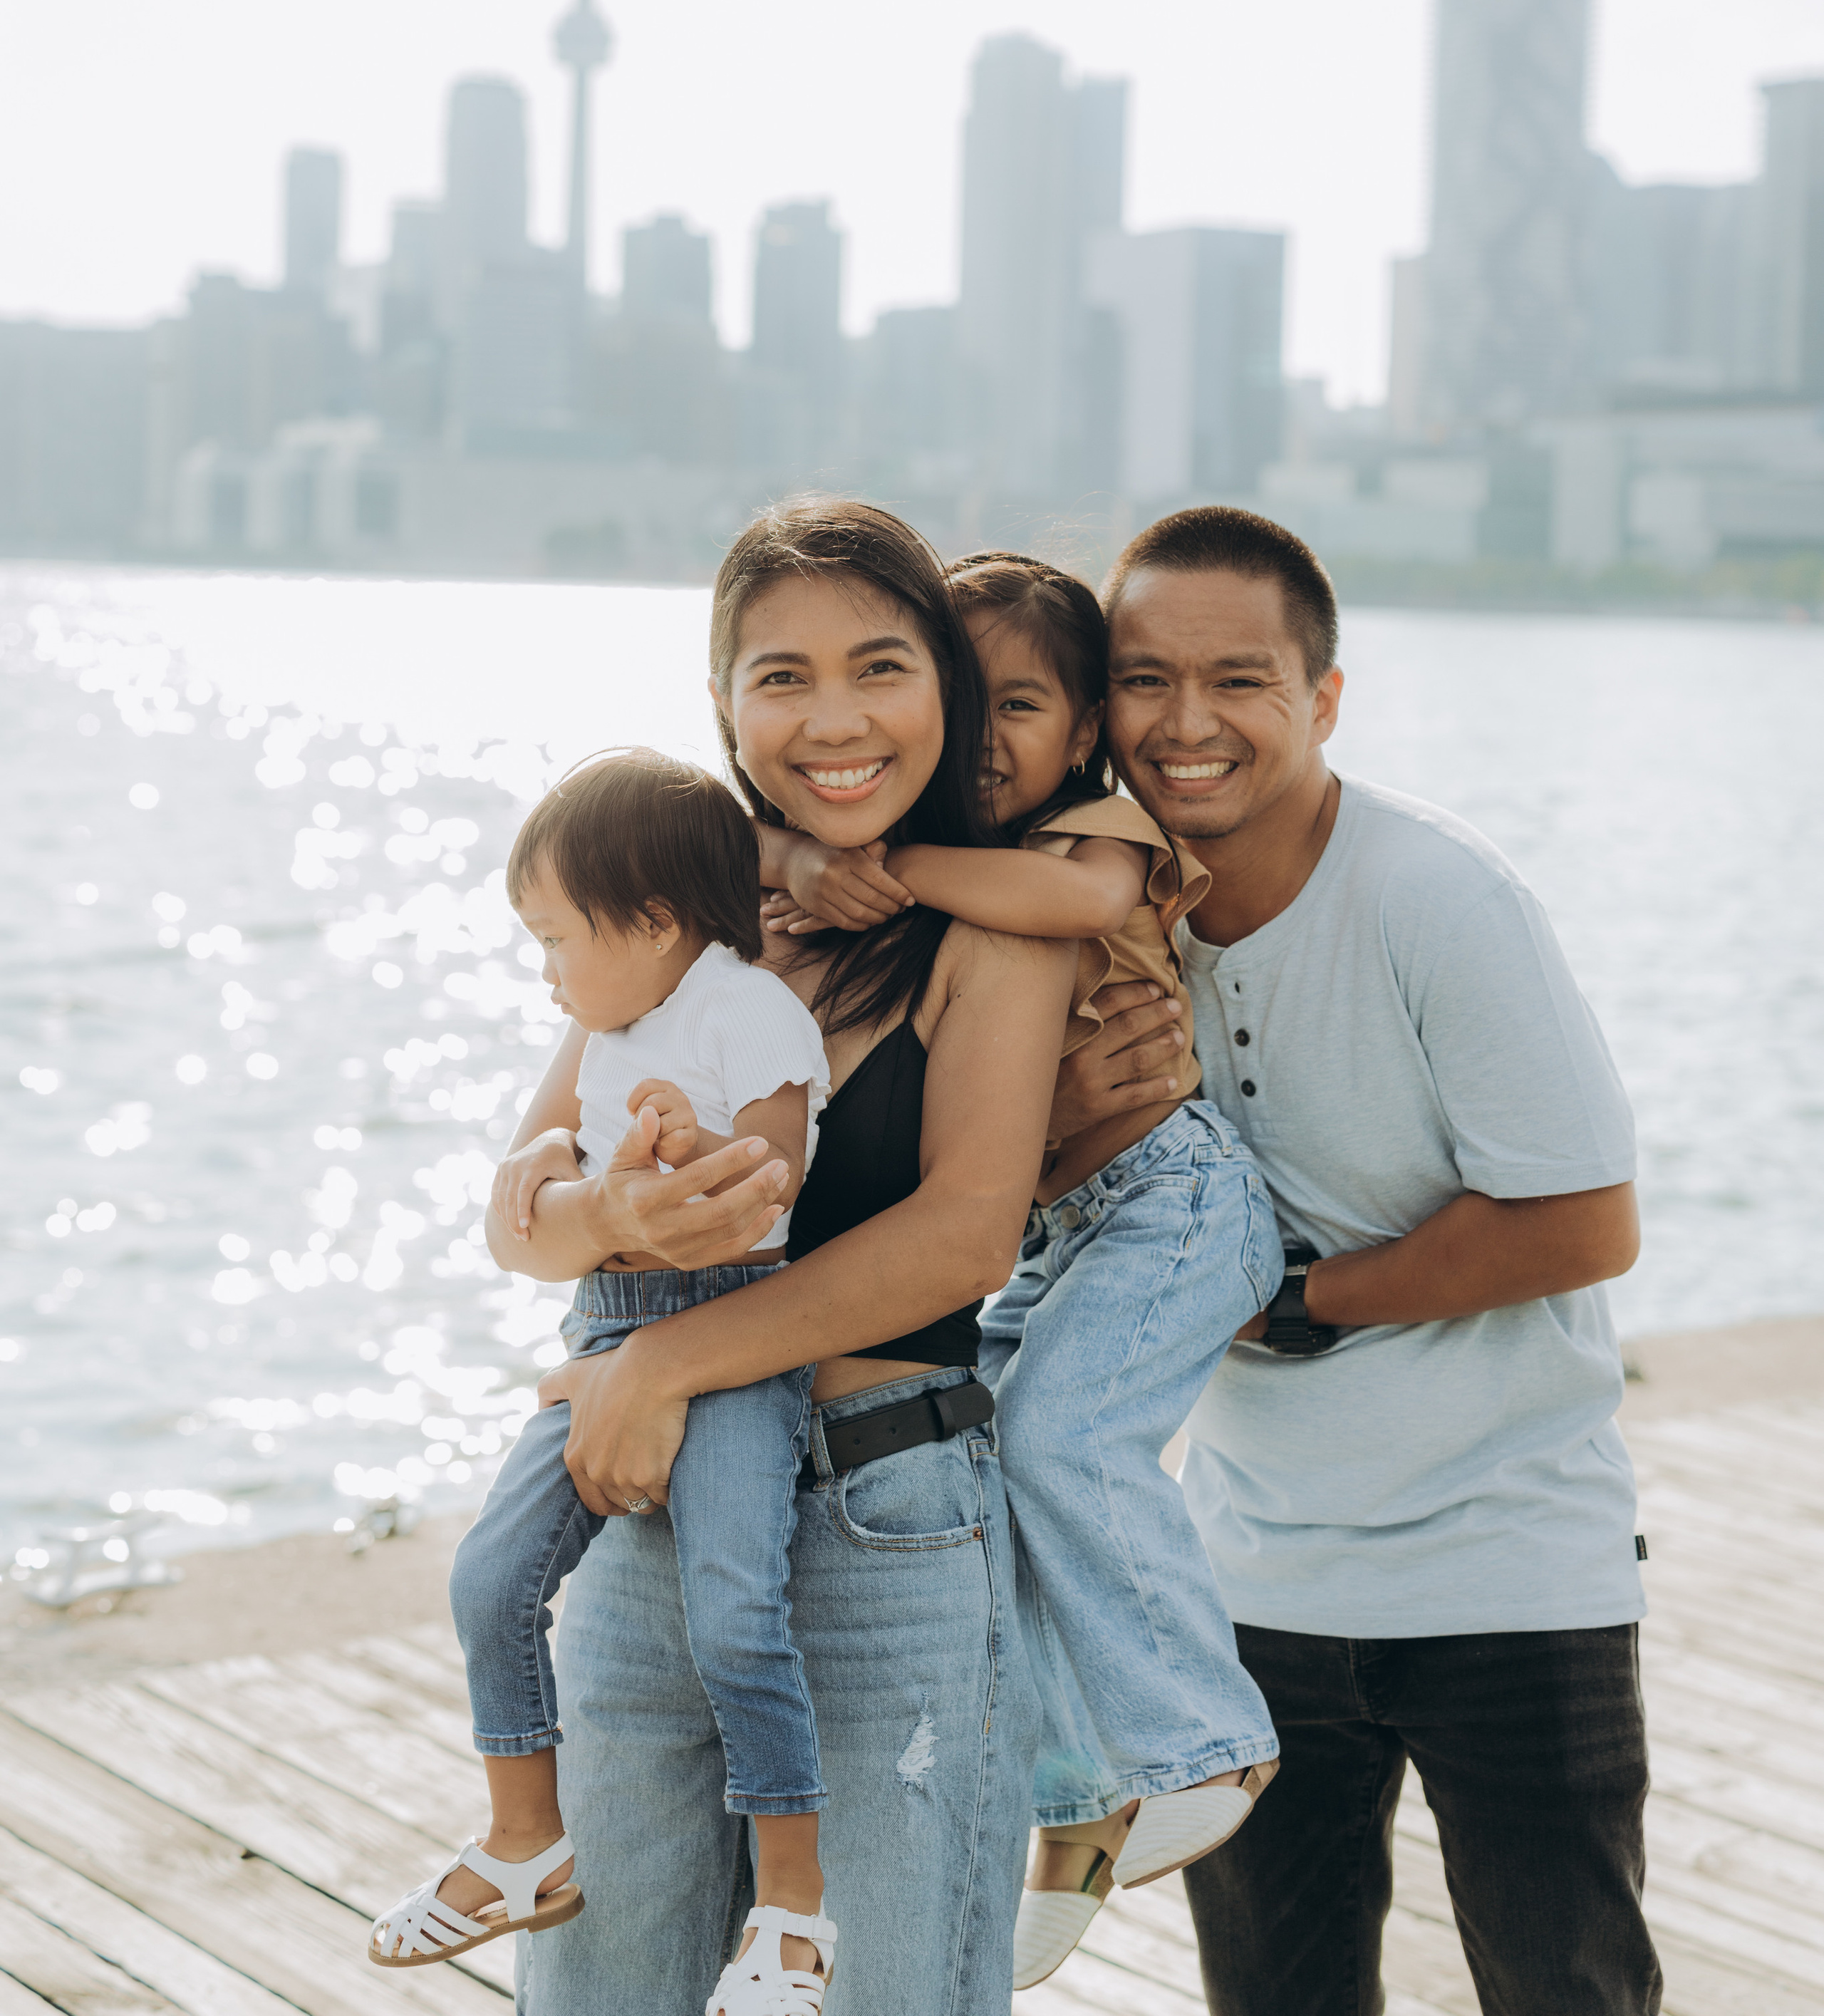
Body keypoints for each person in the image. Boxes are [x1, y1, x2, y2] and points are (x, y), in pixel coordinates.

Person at [1049, 503, 1659, 2016]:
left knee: (1566, 1992)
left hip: (1509, 1563)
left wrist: (1297, 1302)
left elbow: (1584, 1219)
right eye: (1142, 679)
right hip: (1247, 1577)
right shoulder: (1098, 919)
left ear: (1319, 699)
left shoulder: (1436, 896)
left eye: (1238, 680)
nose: (1186, 724)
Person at [494, 498, 1077, 2016]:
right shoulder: (675, 922)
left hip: (884, 1525)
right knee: (598, 1990)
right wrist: (611, 1223)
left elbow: (963, 1233)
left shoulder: (993, 929)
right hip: (650, 1521)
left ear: (941, 691)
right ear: (720, 704)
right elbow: (519, 1207)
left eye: (879, 667)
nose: (834, 719)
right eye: (779, 677)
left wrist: (668, 1357)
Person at [762, 551, 1282, 1989]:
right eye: (965, 700)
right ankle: (1073, 1800)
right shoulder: (900, 864)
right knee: (987, 1474)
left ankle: (1204, 1740)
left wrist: (889, 870)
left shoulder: (1088, 834)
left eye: (1026, 704)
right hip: (1069, 1225)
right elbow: (727, 845)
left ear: (1083, 734)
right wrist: (809, 859)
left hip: (1169, 1201)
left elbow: (1064, 910)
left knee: (1061, 1439)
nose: (989, 738)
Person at [367, 748, 832, 2008]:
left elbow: (763, 1192)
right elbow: (525, 1210)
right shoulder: (609, 1022)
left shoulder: (750, 1012)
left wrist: (649, 1172)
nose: (548, 969)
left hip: (733, 1340)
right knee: (488, 1577)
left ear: (657, 921)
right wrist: (573, 1189)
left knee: (736, 1611)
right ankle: (527, 1838)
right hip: (606, 1330)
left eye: (557, 937)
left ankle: (794, 1896)